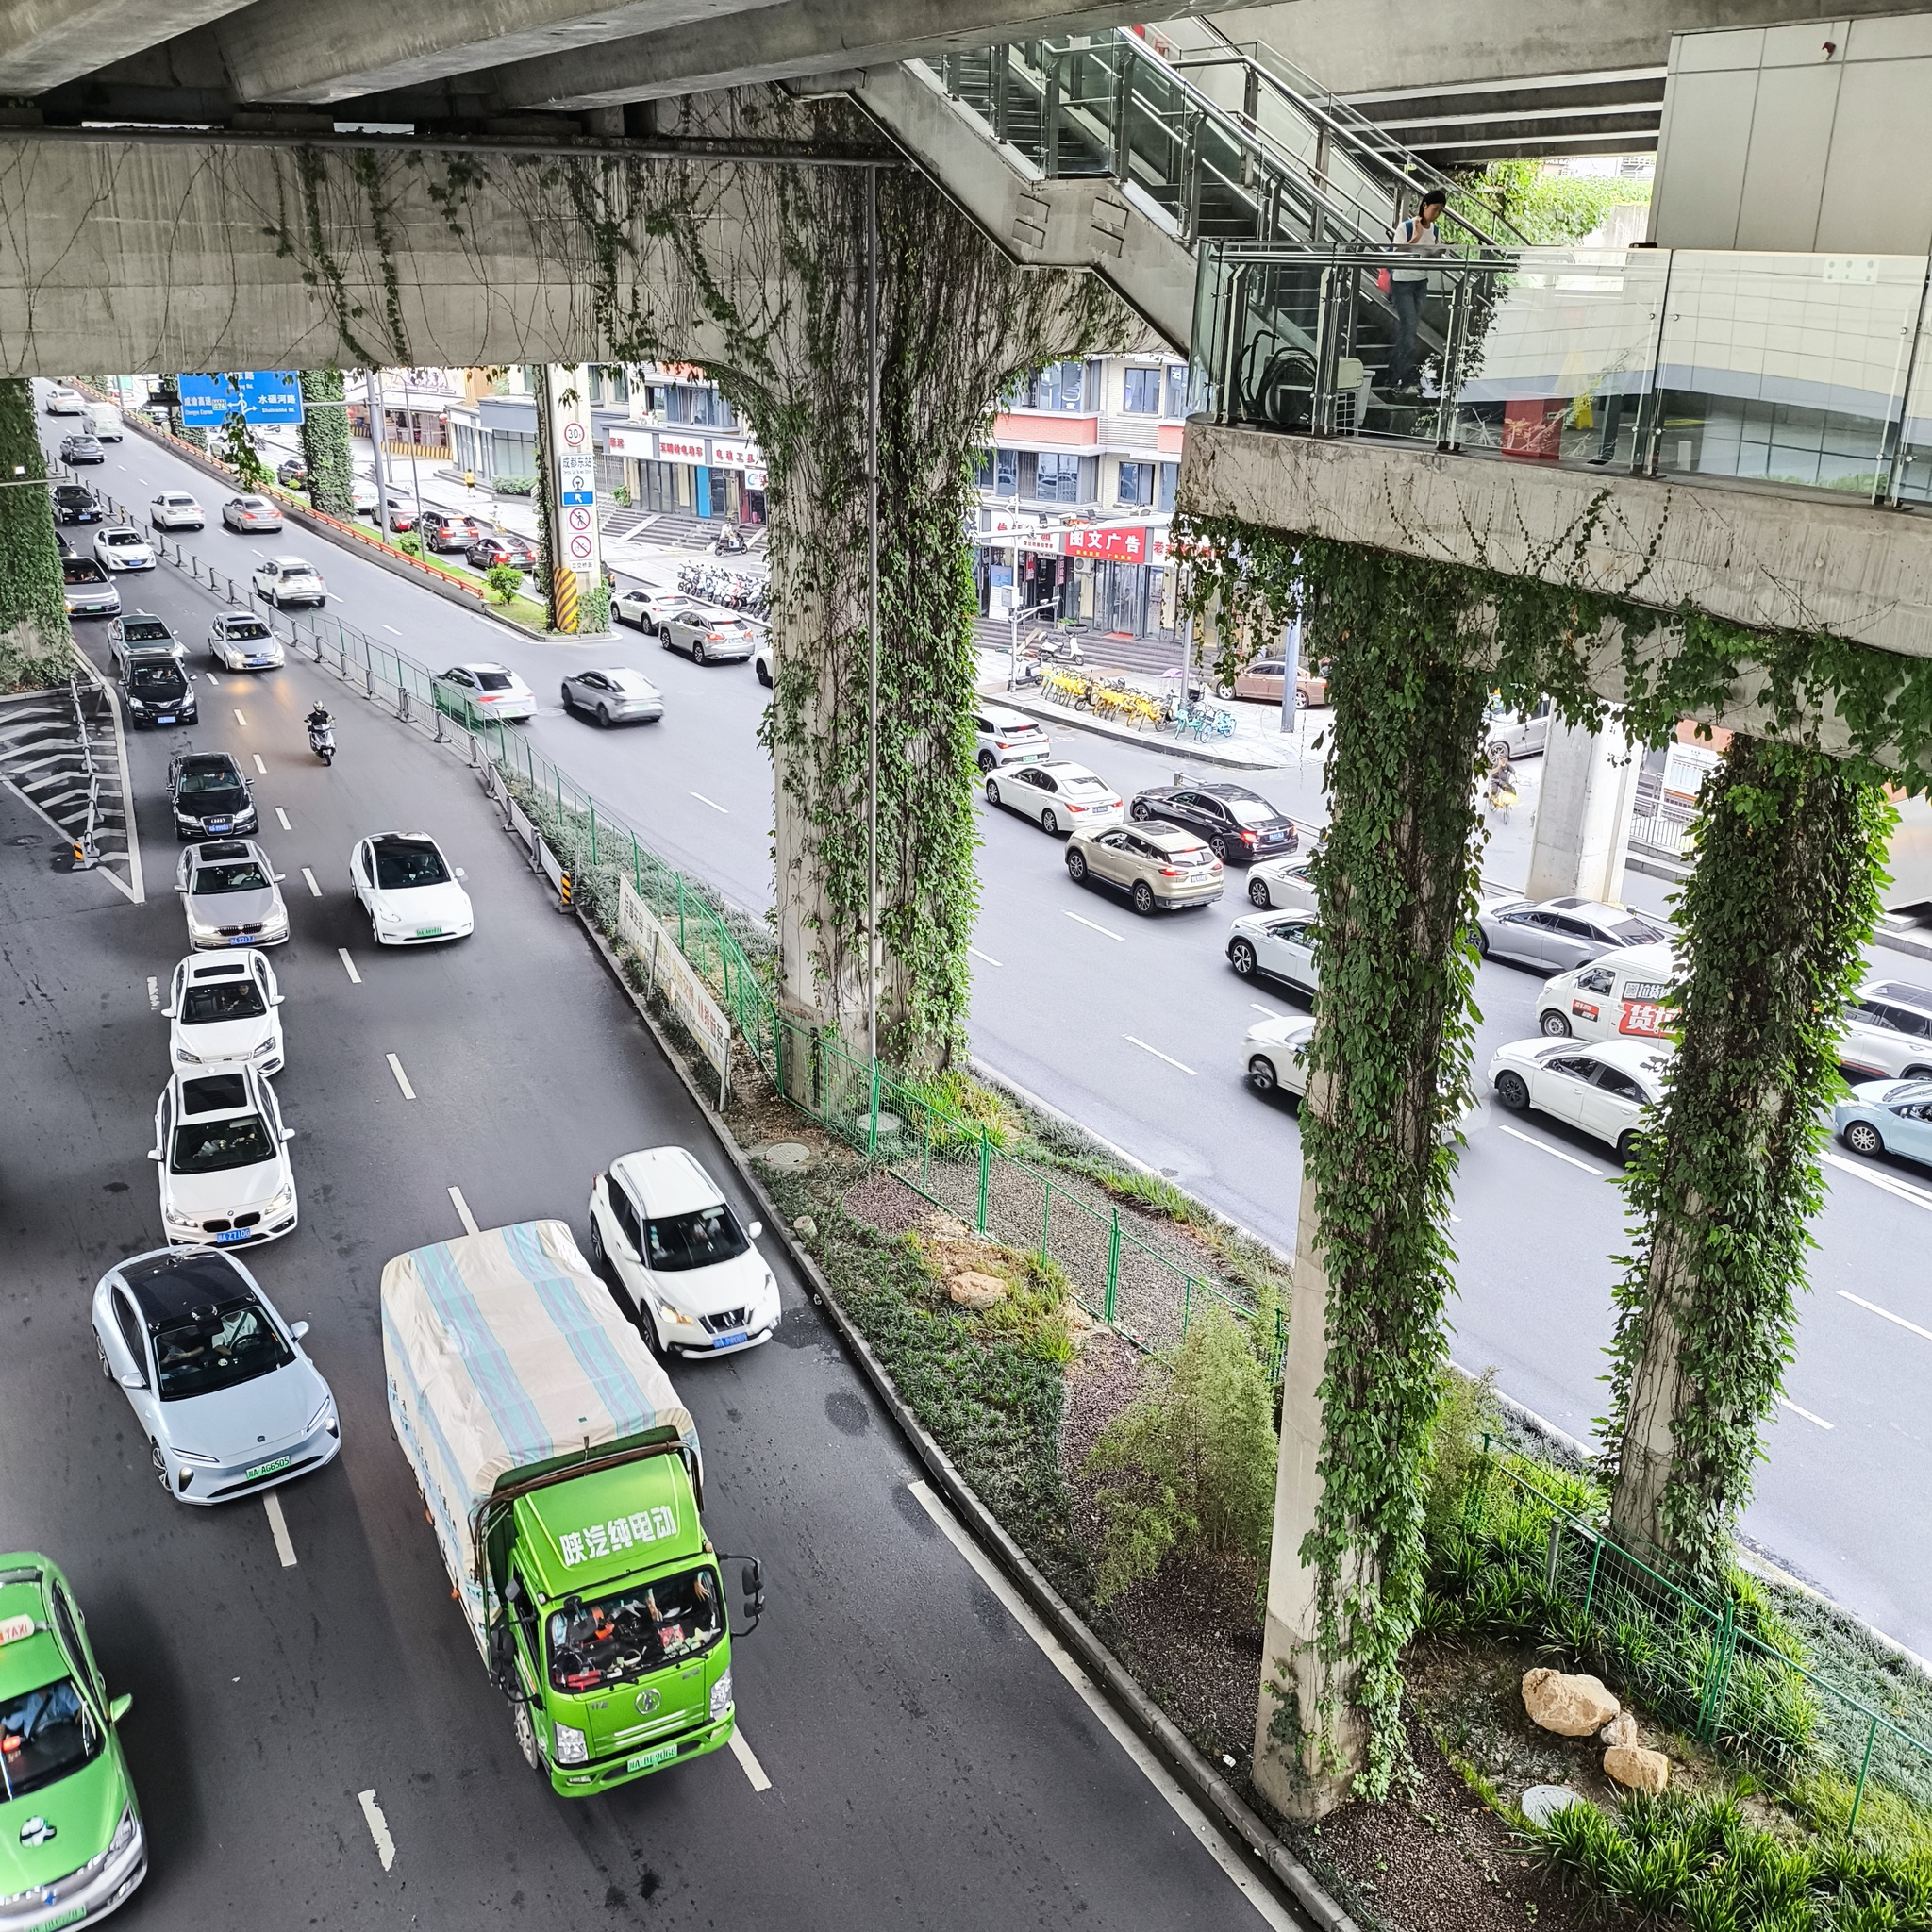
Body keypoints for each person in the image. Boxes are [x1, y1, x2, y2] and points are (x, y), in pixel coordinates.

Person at [1387, 189, 1450, 392]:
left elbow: (1430, 260)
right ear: (1425, 206)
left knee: (1411, 329)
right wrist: (1415, 238)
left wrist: (1438, 252)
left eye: (1440, 211)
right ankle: (1401, 375)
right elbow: (1395, 253)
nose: (1436, 214)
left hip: (1420, 283)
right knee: (1409, 327)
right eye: (1435, 209)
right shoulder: (1406, 227)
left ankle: (1397, 375)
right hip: (1402, 283)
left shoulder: (1436, 230)